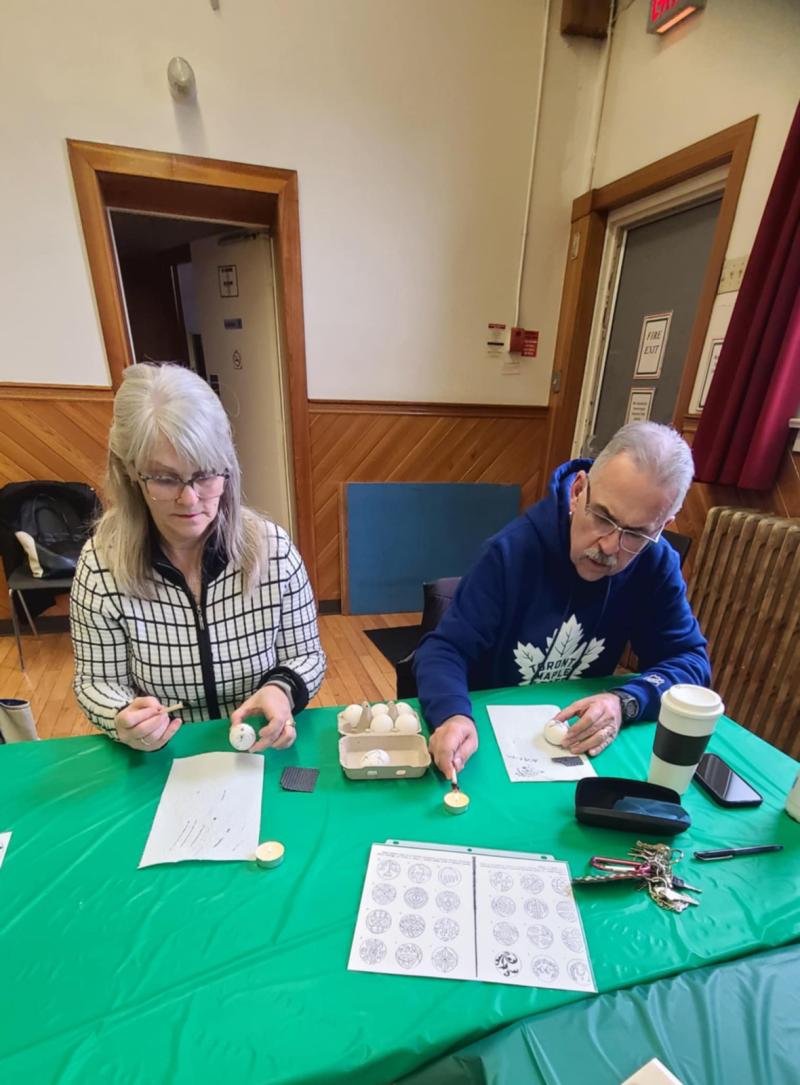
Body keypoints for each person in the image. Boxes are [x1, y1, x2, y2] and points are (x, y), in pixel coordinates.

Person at [414, 421, 711, 777]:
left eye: (635, 534)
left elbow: (690, 661)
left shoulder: (656, 563)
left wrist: (625, 702)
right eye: (603, 517)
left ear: (663, 526)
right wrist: (452, 715)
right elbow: (444, 650)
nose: (609, 547)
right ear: (578, 490)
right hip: (489, 740)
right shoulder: (510, 553)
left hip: (574, 746)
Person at [70, 363, 326, 752]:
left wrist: (282, 689)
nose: (189, 499)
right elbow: (96, 681)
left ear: (228, 468)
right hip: (165, 752)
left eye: (205, 475)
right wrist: (122, 716)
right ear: (131, 473)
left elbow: (307, 655)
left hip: (261, 743)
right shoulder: (100, 566)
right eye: (165, 478)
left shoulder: (273, 550)